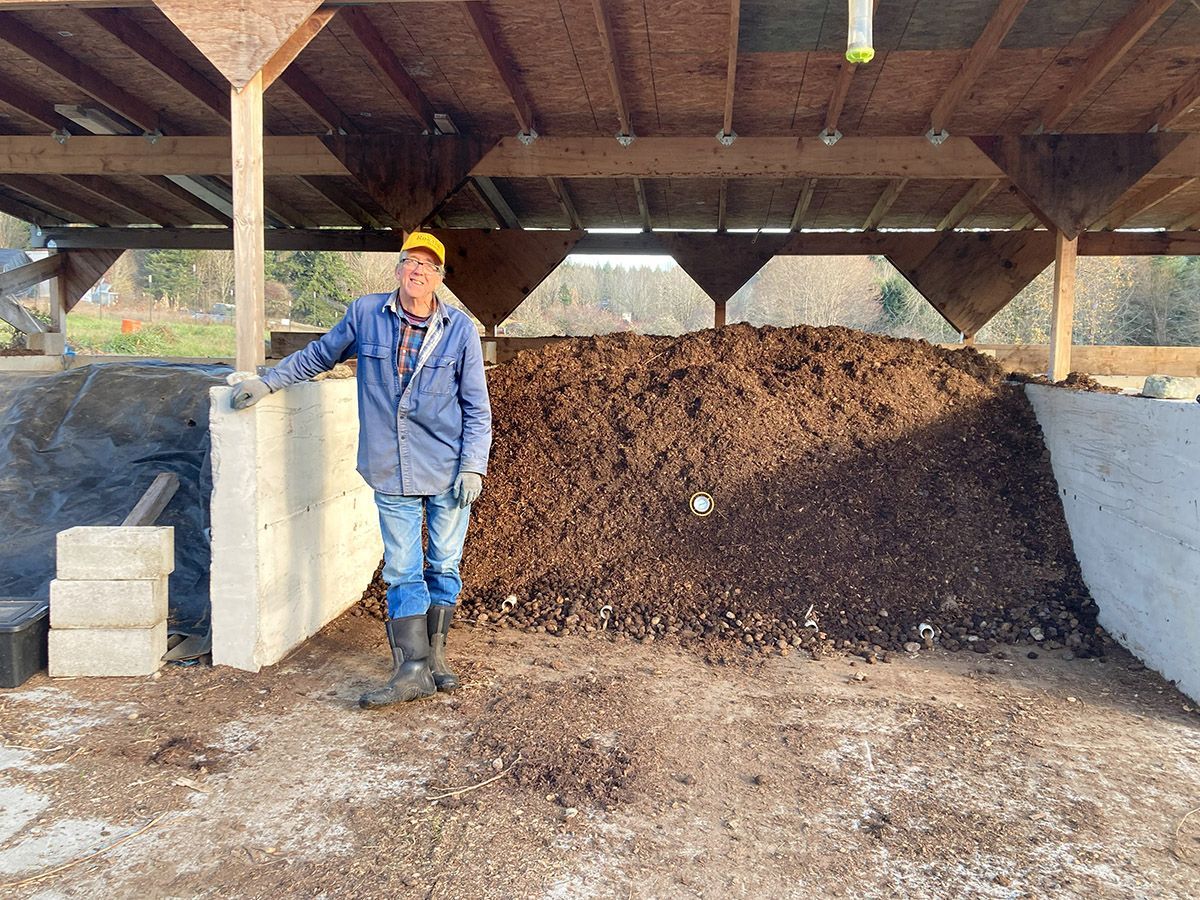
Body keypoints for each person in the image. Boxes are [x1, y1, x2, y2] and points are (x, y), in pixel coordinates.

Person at [231, 232, 492, 709]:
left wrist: (474, 466)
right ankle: (411, 668)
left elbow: (477, 407)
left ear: (441, 278)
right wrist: (268, 382)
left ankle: (434, 659)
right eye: (410, 262)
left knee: (444, 563)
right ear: (398, 269)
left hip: (449, 467)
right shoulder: (367, 314)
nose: (418, 271)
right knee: (401, 566)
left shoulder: (459, 330)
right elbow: (319, 355)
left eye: (428, 266)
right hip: (389, 463)